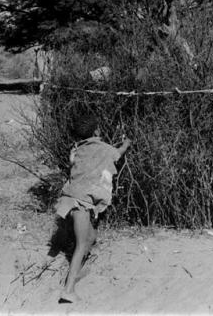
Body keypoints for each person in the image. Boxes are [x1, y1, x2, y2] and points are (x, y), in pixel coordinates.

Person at [56, 115, 131, 303]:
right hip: (79, 203)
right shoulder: (104, 149)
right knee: (82, 245)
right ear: (96, 132)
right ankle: (68, 290)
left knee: (90, 238)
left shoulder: (78, 149)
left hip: (69, 199)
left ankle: (76, 273)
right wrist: (127, 143)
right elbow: (118, 153)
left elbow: (73, 163)